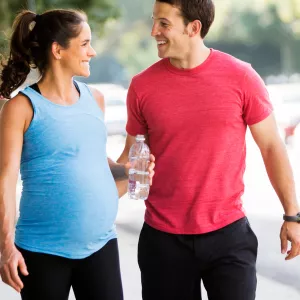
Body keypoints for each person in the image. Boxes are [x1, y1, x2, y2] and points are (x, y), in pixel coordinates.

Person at [117, 1, 300, 300]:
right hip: (163, 240)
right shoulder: (142, 86)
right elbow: (130, 161)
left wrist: (292, 215)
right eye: (154, 21)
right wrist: (95, 198)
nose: (153, 32)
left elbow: (271, 147)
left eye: (164, 23)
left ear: (194, 27)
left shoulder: (241, 77)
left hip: (228, 236)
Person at [0, 9, 154, 300]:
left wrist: (128, 170)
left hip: (101, 245)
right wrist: (6, 248)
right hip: (41, 251)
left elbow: (94, 164)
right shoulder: (21, 107)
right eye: (84, 44)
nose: (92, 52)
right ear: (58, 50)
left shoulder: (95, 99)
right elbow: (5, 181)